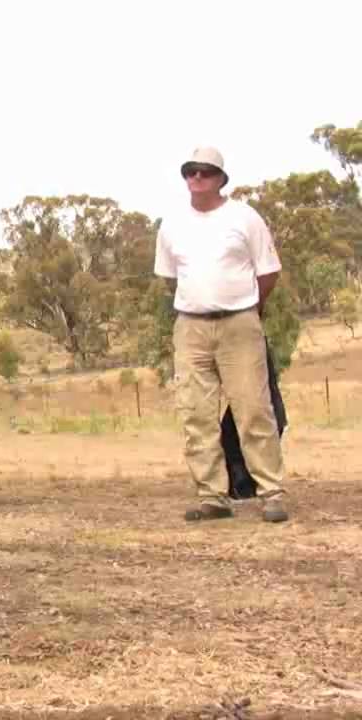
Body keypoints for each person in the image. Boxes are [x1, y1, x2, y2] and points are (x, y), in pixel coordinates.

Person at [154, 146, 288, 524]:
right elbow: (170, 277)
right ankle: (212, 496)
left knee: (253, 410)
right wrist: (198, 304)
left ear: (220, 179)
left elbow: (269, 271)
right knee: (195, 412)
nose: (197, 178)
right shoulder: (172, 223)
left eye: (205, 172)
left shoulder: (244, 218)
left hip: (239, 323)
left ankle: (271, 494)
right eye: (190, 172)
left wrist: (247, 308)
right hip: (190, 325)